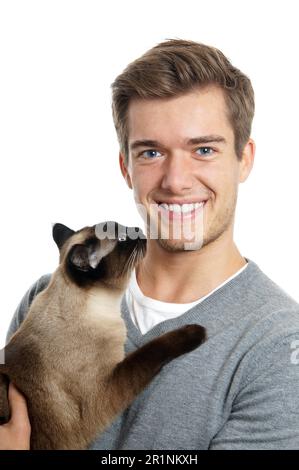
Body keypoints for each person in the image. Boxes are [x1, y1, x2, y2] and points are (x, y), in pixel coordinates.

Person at [2, 38, 299, 450]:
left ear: (244, 158)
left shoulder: (277, 345)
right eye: (152, 152)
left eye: (204, 149)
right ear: (126, 166)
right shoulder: (45, 297)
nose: (176, 181)